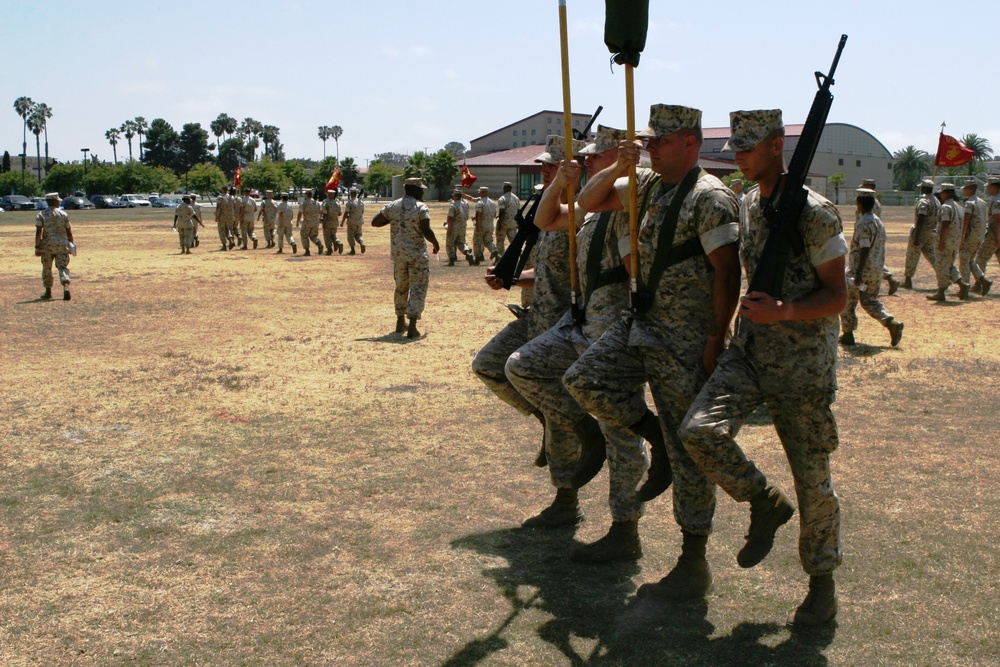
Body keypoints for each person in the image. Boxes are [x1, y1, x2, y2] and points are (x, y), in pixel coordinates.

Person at [680, 109, 848, 628]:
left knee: (812, 481)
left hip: (802, 368)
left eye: (749, 148)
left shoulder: (816, 213)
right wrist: (723, 328)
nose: (739, 156)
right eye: (736, 148)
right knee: (698, 430)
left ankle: (821, 585)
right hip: (750, 354)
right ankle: (762, 501)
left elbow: (839, 295)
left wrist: (787, 311)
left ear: (778, 146)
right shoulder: (750, 204)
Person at [564, 106, 741, 578]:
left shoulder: (711, 197)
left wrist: (716, 337)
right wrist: (622, 166)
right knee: (585, 380)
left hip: (686, 338)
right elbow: (589, 201)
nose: (650, 148)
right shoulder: (644, 184)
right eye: (648, 141)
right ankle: (652, 437)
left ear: (689, 142)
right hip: (641, 324)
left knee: (689, 454)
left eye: (659, 141)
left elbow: (728, 272)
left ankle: (693, 558)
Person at [506, 125, 650, 556]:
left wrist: (625, 167)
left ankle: (625, 529)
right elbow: (545, 219)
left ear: (621, 159)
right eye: (585, 157)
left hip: (615, 330)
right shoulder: (592, 209)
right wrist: (563, 182)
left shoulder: (633, 198)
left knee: (621, 431)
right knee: (522, 367)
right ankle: (577, 441)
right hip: (582, 324)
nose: (586, 161)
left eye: (594, 157)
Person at [472, 135, 584, 481]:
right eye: (545, 164)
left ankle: (566, 490)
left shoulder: (584, 212)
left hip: (565, 323)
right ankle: (548, 419)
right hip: (536, 314)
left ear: (573, 169)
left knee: (552, 392)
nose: (547, 170)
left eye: (555, 164)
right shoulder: (545, 209)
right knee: (489, 365)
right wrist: (512, 278)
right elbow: (548, 272)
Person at [370, 177, 440, 337]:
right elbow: (426, 229)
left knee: (401, 287)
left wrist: (393, 220)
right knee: (418, 287)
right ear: (413, 190)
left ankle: (400, 322)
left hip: (399, 255)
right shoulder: (421, 207)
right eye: (421, 189)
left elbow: (375, 222)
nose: (423, 191)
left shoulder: (393, 206)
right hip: (416, 255)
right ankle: (413, 326)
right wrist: (435, 243)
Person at [840, 188, 904, 346]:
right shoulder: (878, 221)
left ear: (859, 204)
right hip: (876, 270)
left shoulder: (863, 224)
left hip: (860, 271)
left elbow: (864, 248)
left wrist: (859, 273)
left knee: (848, 300)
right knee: (869, 301)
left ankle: (848, 334)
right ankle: (891, 323)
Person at [927, 183, 970, 301]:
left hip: (946, 241)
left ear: (947, 193)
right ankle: (962, 284)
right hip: (954, 241)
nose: (940, 195)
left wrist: (941, 242)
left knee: (941, 265)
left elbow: (945, 225)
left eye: (942, 192)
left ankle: (941, 291)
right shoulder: (958, 206)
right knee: (949, 265)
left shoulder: (946, 207)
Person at [858, 178, 901, 295]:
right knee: (874, 259)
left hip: (867, 234)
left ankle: (887, 279)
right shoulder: (876, 202)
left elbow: (863, 221)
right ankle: (890, 279)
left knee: (869, 259)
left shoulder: (868, 202)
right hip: (873, 233)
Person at [34, 192, 75, 300]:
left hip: (47, 246)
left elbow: (38, 232)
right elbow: (69, 232)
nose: (59, 202)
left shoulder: (41, 215)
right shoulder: (63, 214)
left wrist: (37, 247)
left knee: (47, 268)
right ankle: (65, 284)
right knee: (62, 266)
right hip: (62, 244)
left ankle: (48, 292)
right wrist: (71, 245)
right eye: (58, 200)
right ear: (54, 201)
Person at [902, 179, 939, 289]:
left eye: (922, 187)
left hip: (921, 232)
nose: (921, 189)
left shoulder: (924, 201)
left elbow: (921, 218)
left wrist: (916, 236)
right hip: (932, 233)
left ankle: (908, 280)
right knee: (933, 257)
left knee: (912, 256)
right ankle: (946, 275)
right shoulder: (936, 201)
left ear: (925, 188)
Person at [959, 179, 988, 298]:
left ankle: (964, 286)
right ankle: (983, 280)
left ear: (969, 189)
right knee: (971, 260)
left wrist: (962, 237)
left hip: (970, 236)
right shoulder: (982, 202)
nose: (964, 191)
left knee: (964, 260)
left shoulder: (969, 203)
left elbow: (966, 220)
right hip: (980, 235)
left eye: (965, 189)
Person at [974, 175, 1000, 294]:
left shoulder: (996, 201)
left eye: (989, 187)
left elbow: (998, 220)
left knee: (980, 258)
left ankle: (979, 284)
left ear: (994, 187)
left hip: (994, 235)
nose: (988, 189)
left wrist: (997, 238)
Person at [444, 189, 474, 266]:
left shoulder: (453, 205)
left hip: (454, 226)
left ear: (455, 196)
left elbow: (450, 218)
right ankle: (467, 253)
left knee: (449, 243)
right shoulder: (465, 204)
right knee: (461, 242)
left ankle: (451, 259)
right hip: (463, 226)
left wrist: (449, 229)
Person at [471, 186, 499, 265]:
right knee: (488, 241)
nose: (479, 193)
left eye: (480, 192)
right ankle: (496, 253)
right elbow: (494, 215)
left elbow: (478, 214)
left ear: (483, 193)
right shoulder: (492, 203)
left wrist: (477, 226)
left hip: (481, 225)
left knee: (477, 241)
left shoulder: (480, 202)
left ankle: (477, 258)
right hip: (490, 225)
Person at [296, 189, 324, 256]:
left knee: (304, 235)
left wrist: (297, 222)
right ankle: (319, 243)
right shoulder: (316, 203)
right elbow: (321, 212)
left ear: (306, 195)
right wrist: (320, 218)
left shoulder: (304, 203)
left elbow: (300, 213)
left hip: (307, 222)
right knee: (313, 235)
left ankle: (307, 250)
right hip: (315, 222)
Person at [496, 182, 520, 255]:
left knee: (500, 241)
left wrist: (500, 224)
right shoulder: (516, 198)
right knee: (513, 241)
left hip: (504, 223)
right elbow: (519, 211)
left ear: (505, 188)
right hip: (513, 223)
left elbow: (502, 212)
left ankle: (500, 257)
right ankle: (519, 253)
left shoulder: (502, 199)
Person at [341, 187, 366, 254]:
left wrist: (342, 222)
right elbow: (362, 211)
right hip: (359, 221)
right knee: (358, 234)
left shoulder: (349, 203)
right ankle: (361, 243)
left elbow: (346, 213)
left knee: (350, 235)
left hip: (352, 222)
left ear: (351, 193)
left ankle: (352, 250)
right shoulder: (361, 202)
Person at [321, 190, 344, 255]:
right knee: (333, 235)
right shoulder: (337, 203)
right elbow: (340, 213)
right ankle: (338, 243)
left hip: (328, 222)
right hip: (335, 221)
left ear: (329, 194)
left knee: (327, 236)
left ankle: (329, 249)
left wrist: (324, 223)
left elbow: (324, 214)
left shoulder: (326, 202)